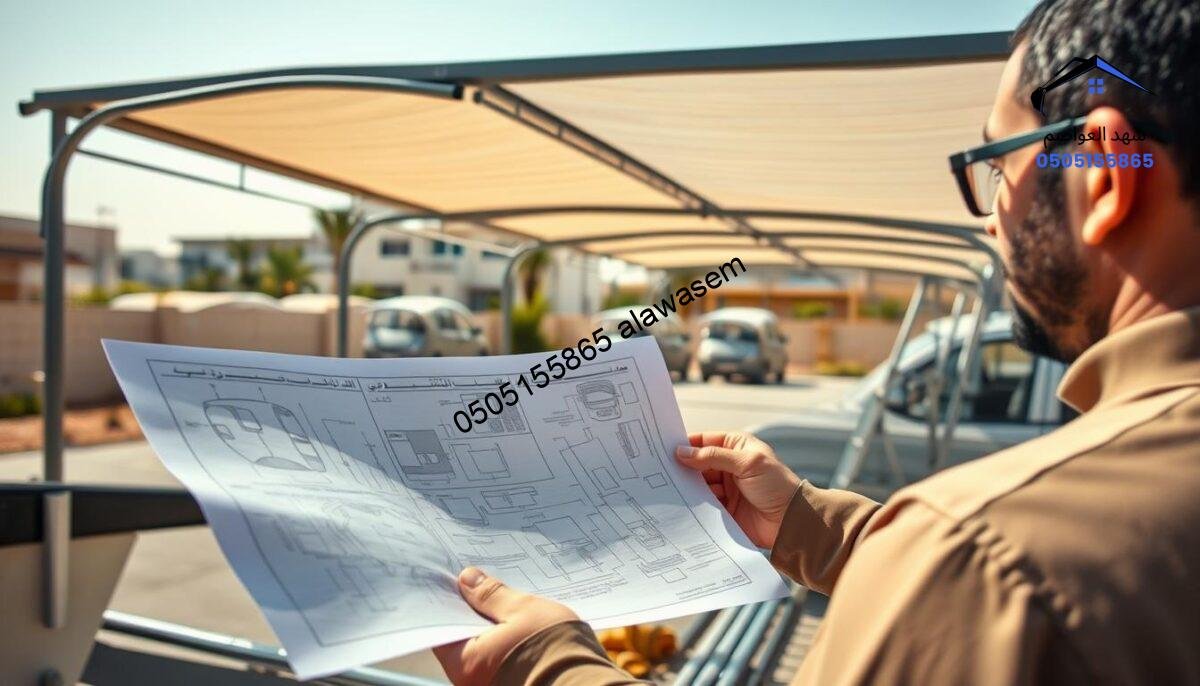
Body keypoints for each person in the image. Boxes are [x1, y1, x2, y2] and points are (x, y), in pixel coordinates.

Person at [433, 0, 1200, 683]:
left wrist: (547, 666)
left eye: (999, 165)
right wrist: (809, 526)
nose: (991, 214)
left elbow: (973, 579)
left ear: (1102, 175)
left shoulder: (984, 560)